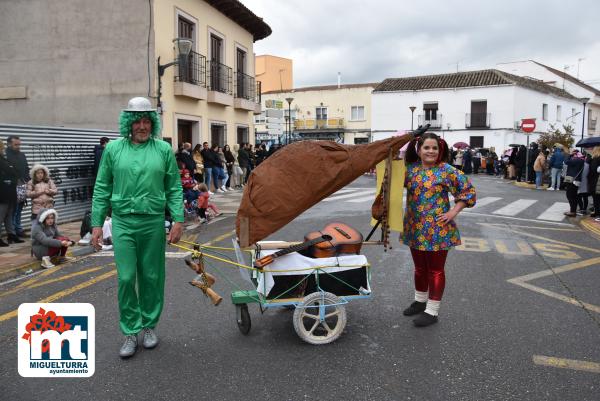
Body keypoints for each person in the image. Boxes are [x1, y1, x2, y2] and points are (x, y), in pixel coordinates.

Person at [91, 97, 183, 358]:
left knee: (152, 277)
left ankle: (150, 326)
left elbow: (174, 187)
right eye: (137, 121)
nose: (142, 126)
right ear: (129, 123)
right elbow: (101, 187)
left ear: (151, 123)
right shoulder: (113, 150)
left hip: (153, 221)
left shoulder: (163, 150)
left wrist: (178, 219)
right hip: (122, 222)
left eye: (146, 121)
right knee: (127, 277)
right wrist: (97, 223)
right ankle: (130, 331)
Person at [402, 133, 476, 327]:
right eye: (426, 147)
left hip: (438, 229)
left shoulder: (446, 170)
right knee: (419, 268)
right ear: (418, 150)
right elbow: (389, 185)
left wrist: (453, 212)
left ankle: (432, 311)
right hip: (414, 228)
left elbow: (468, 191)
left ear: (440, 149)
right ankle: (420, 301)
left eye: (434, 148)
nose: (431, 151)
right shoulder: (409, 170)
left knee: (435, 270)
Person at [5, 135, 30, 238]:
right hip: (10, 187)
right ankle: (12, 232)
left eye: (19, 144)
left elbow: (26, 168)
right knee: (12, 210)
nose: (18, 146)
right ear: (9, 144)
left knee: (19, 209)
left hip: (22, 186)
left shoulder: (22, 155)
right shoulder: (5, 155)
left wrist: (27, 180)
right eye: (16, 144)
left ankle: (18, 229)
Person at [0, 140, 19, 247]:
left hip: (9, 192)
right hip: (2, 194)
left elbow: (14, 172)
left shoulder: (4, 159)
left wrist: (11, 179)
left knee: (9, 215)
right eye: (2, 147)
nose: (3, 149)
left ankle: (11, 235)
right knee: (1, 216)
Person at [563, 150, 585, 217]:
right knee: (573, 196)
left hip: (573, 180)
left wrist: (569, 155)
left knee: (570, 195)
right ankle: (572, 210)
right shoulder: (581, 160)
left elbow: (566, 161)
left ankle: (573, 211)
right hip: (575, 180)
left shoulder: (577, 160)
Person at [589, 146, 600, 218]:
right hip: (597, 180)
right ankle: (597, 212)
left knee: (596, 198)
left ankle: (597, 212)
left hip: (595, 180)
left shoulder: (595, 159)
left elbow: (593, 170)